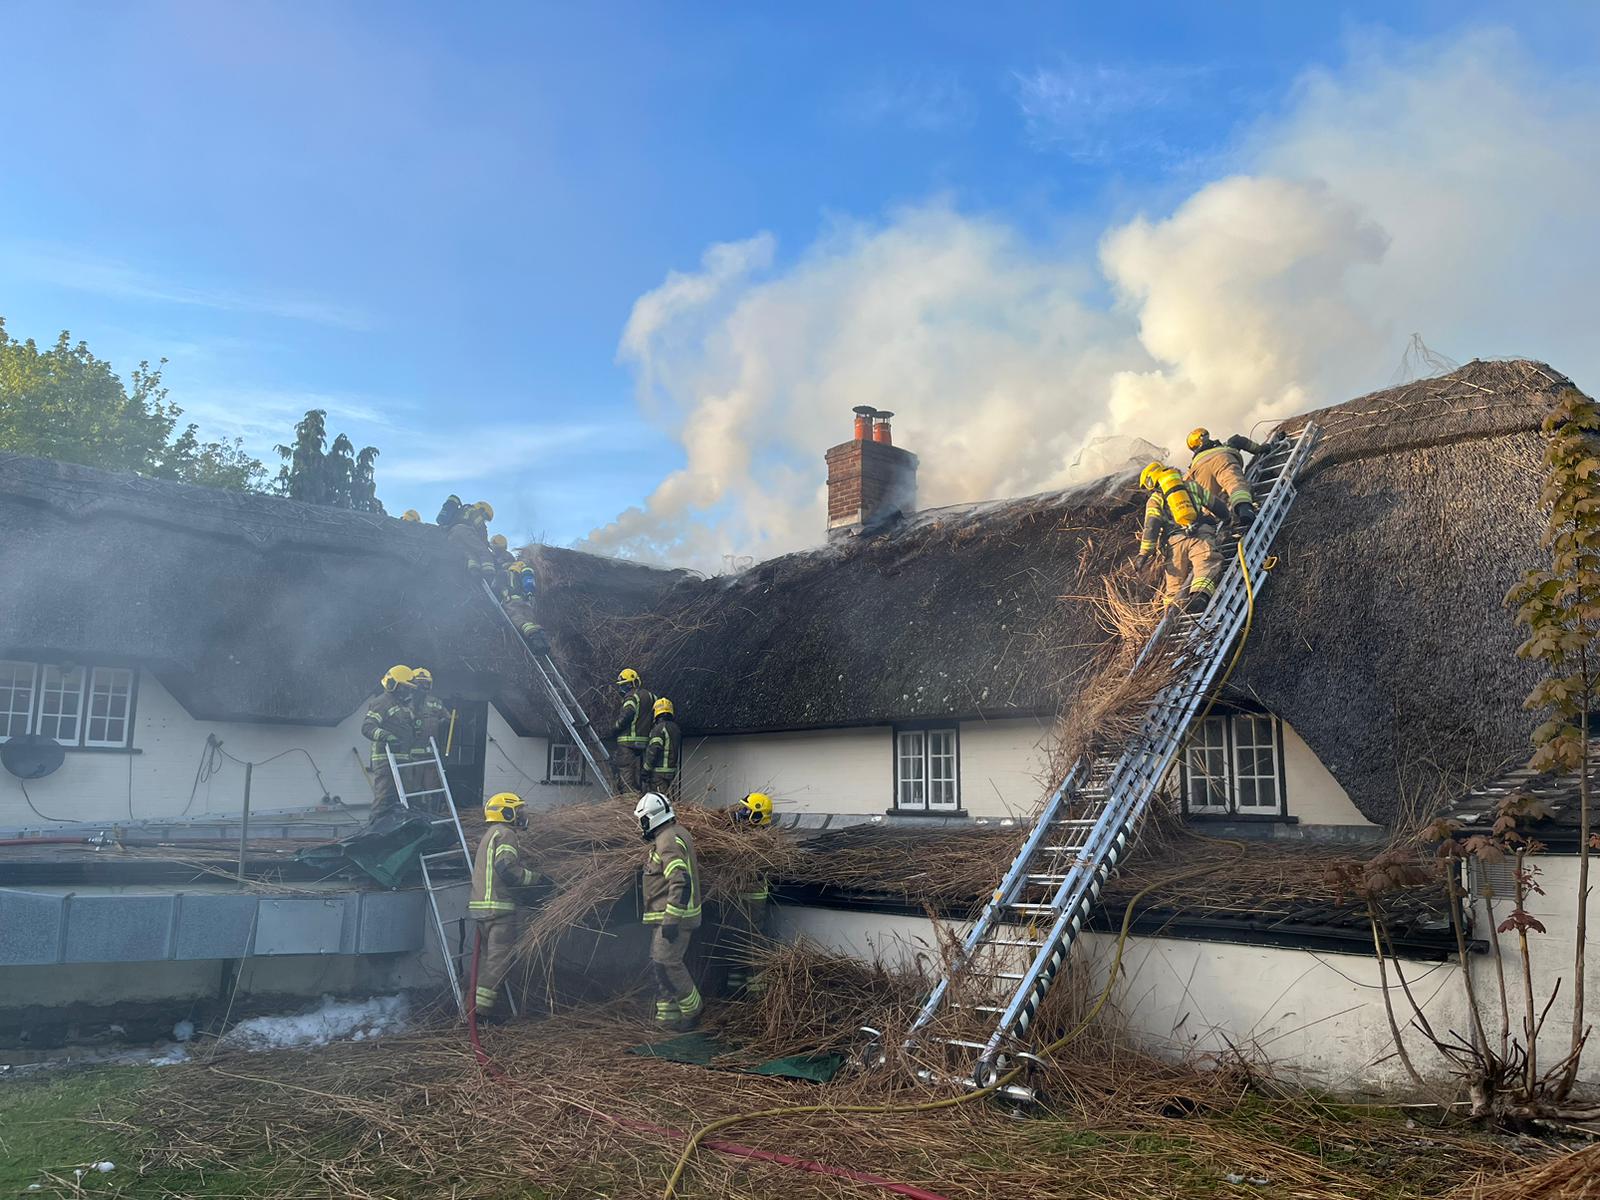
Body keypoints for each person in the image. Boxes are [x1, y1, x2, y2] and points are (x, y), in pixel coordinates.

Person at [469, 792, 542, 1023]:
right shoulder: (506, 834)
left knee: (483, 961)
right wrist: (537, 879)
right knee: (499, 962)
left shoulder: (489, 834)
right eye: (517, 811)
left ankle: (468, 1009)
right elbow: (507, 869)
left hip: (481, 909)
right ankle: (480, 1014)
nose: (521, 815)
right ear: (506, 812)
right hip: (499, 911)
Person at [635, 791, 703, 1030]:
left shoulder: (667, 839)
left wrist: (672, 919)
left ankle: (693, 1011)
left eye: (642, 820)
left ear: (651, 818)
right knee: (659, 963)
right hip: (668, 916)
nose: (641, 825)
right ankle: (667, 1017)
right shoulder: (674, 833)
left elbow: (679, 880)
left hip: (674, 917)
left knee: (667, 963)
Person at [1137, 461, 1221, 614]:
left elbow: (1151, 526)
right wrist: (1227, 518)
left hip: (1174, 543)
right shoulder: (1191, 486)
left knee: (1174, 583)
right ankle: (1200, 596)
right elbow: (1215, 504)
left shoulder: (1155, 500)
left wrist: (1144, 553)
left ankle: (1171, 612)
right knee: (1206, 564)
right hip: (1200, 534)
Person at [715, 792, 774, 997]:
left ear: (757, 816)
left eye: (747, 810)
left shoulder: (760, 840)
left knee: (751, 945)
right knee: (736, 943)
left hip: (751, 899)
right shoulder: (748, 834)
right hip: (740, 897)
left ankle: (756, 996)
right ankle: (735, 992)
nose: (741, 813)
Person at [1184, 428, 1281, 527]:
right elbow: (1238, 440)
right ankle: (1245, 510)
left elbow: (1184, 484)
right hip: (1222, 458)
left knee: (1210, 500)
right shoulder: (1223, 446)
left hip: (1199, 471)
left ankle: (1220, 524)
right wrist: (1261, 449)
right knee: (1234, 483)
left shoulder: (1192, 465)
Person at [361, 666, 417, 823]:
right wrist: (388, 737)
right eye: (405, 688)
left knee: (404, 800)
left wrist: (416, 726)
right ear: (393, 684)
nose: (408, 692)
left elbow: (407, 727)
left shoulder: (404, 705)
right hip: (386, 761)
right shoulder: (381, 702)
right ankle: (372, 832)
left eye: (409, 689)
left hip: (403, 761)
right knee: (383, 800)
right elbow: (367, 727)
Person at [407, 667, 452, 812]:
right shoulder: (407, 702)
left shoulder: (436, 702)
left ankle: (431, 814)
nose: (423, 687)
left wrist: (445, 722)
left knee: (432, 789)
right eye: (419, 684)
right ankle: (413, 814)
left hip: (432, 755)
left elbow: (447, 718)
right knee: (413, 790)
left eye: (425, 684)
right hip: (412, 757)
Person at [610, 669, 655, 794]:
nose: (623, 689)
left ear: (634, 682)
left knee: (626, 775)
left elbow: (627, 714)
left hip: (627, 741)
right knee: (644, 776)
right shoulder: (652, 697)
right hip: (645, 742)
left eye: (625, 685)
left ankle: (629, 803)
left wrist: (616, 727)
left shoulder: (631, 696)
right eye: (622, 686)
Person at [501, 562, 551, 653]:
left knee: (519, 619)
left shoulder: (505, 573)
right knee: (532, 621)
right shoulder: (522, 576)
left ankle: (537, 644)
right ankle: (544, 641)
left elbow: (495, 585)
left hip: (512, 600)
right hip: (525, 601)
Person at [446, 501, 497, 579]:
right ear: (481, 509)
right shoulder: (475, 512)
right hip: (465, 531)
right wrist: (487, 545)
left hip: (452, 533)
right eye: (485, 516)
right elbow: (481, 529)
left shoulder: (465, 509)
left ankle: (474, 570)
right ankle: (489, 574)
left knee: (470, 552)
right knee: (483, 550)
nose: (484, 520)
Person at [643, 696, 682, 797]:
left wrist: (646, 769)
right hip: (671, 771)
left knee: (659, 800)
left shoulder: (659, 729)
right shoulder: (675, 728)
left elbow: (654, 750)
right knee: (669, 799)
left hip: (659, 773)